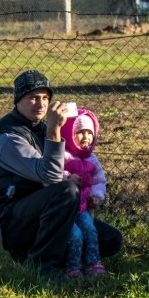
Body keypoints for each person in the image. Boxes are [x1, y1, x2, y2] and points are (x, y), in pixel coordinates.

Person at [0, 70, 122, 276]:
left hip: (41, 210)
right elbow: (50, 177)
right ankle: (42, 266)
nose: (41, 104)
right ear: (18, 101)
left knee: (109, 239)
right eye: (33, 97)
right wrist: (54, 129)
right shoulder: (7, 137)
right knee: (67, 191)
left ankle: (53, 257)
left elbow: (69, 160)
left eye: (45, 98)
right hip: (8, 219)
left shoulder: (40, 128)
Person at [61, 108, 107, 278]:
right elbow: (53, 173)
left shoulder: (92, 160)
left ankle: (93, 262)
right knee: (75, 235)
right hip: (66, 210)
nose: (86, 137)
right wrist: (67, 177)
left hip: (82, 208)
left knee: (90, 231)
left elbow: (99, 181)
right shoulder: (64, 156)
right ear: (69, 133)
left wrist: (97, 196)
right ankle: (72, 267)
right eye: (80, 132)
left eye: (89, 133)